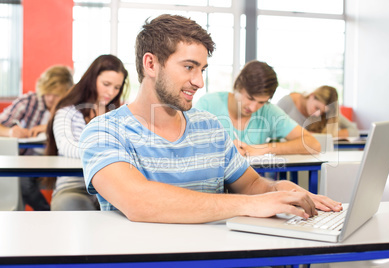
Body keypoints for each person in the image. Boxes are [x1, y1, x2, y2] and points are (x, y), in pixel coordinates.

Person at [79, 14, 341, 224]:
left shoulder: (210, 126)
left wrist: (278, 191)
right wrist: (251, 204)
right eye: (189, 67)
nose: (199, 82)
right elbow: (139, 202)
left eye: (202, 69)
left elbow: (250, 184)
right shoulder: (104, 131)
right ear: (151, 64)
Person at [45, 54, 129, 211]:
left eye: (117, 87)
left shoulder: (118, 114)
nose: (111, 92)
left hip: (111, 188)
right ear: (92, 79)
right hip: (74, 187)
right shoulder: (67, 111)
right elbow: (67, 147)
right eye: (106, 84)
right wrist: (110, 151)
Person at [195, 60, 321, 156]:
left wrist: (264, 148)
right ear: (237, 86)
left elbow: (313, 144)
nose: (253, 107)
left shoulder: (268, 111)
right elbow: (188, 145)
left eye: (261, 102)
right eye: (250, 98)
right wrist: (223, 150)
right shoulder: (209, 104)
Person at [0, 65, 74, 211]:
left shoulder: (70, 107)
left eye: (57, 94)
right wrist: (10, 132)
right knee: (23, 182)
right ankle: (48, 214)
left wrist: (48, 128)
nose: (51, 98)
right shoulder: (28, 101)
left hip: (61, 163)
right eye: (48, 93)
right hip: (29, 162)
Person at [276, 85, 359, 138]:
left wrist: (325, 135)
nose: (317, 114)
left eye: (322, 112)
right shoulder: (287, 102)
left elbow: (354, 131)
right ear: (312, 95)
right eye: (317, 108)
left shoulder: (328, 111)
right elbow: (274, 131)